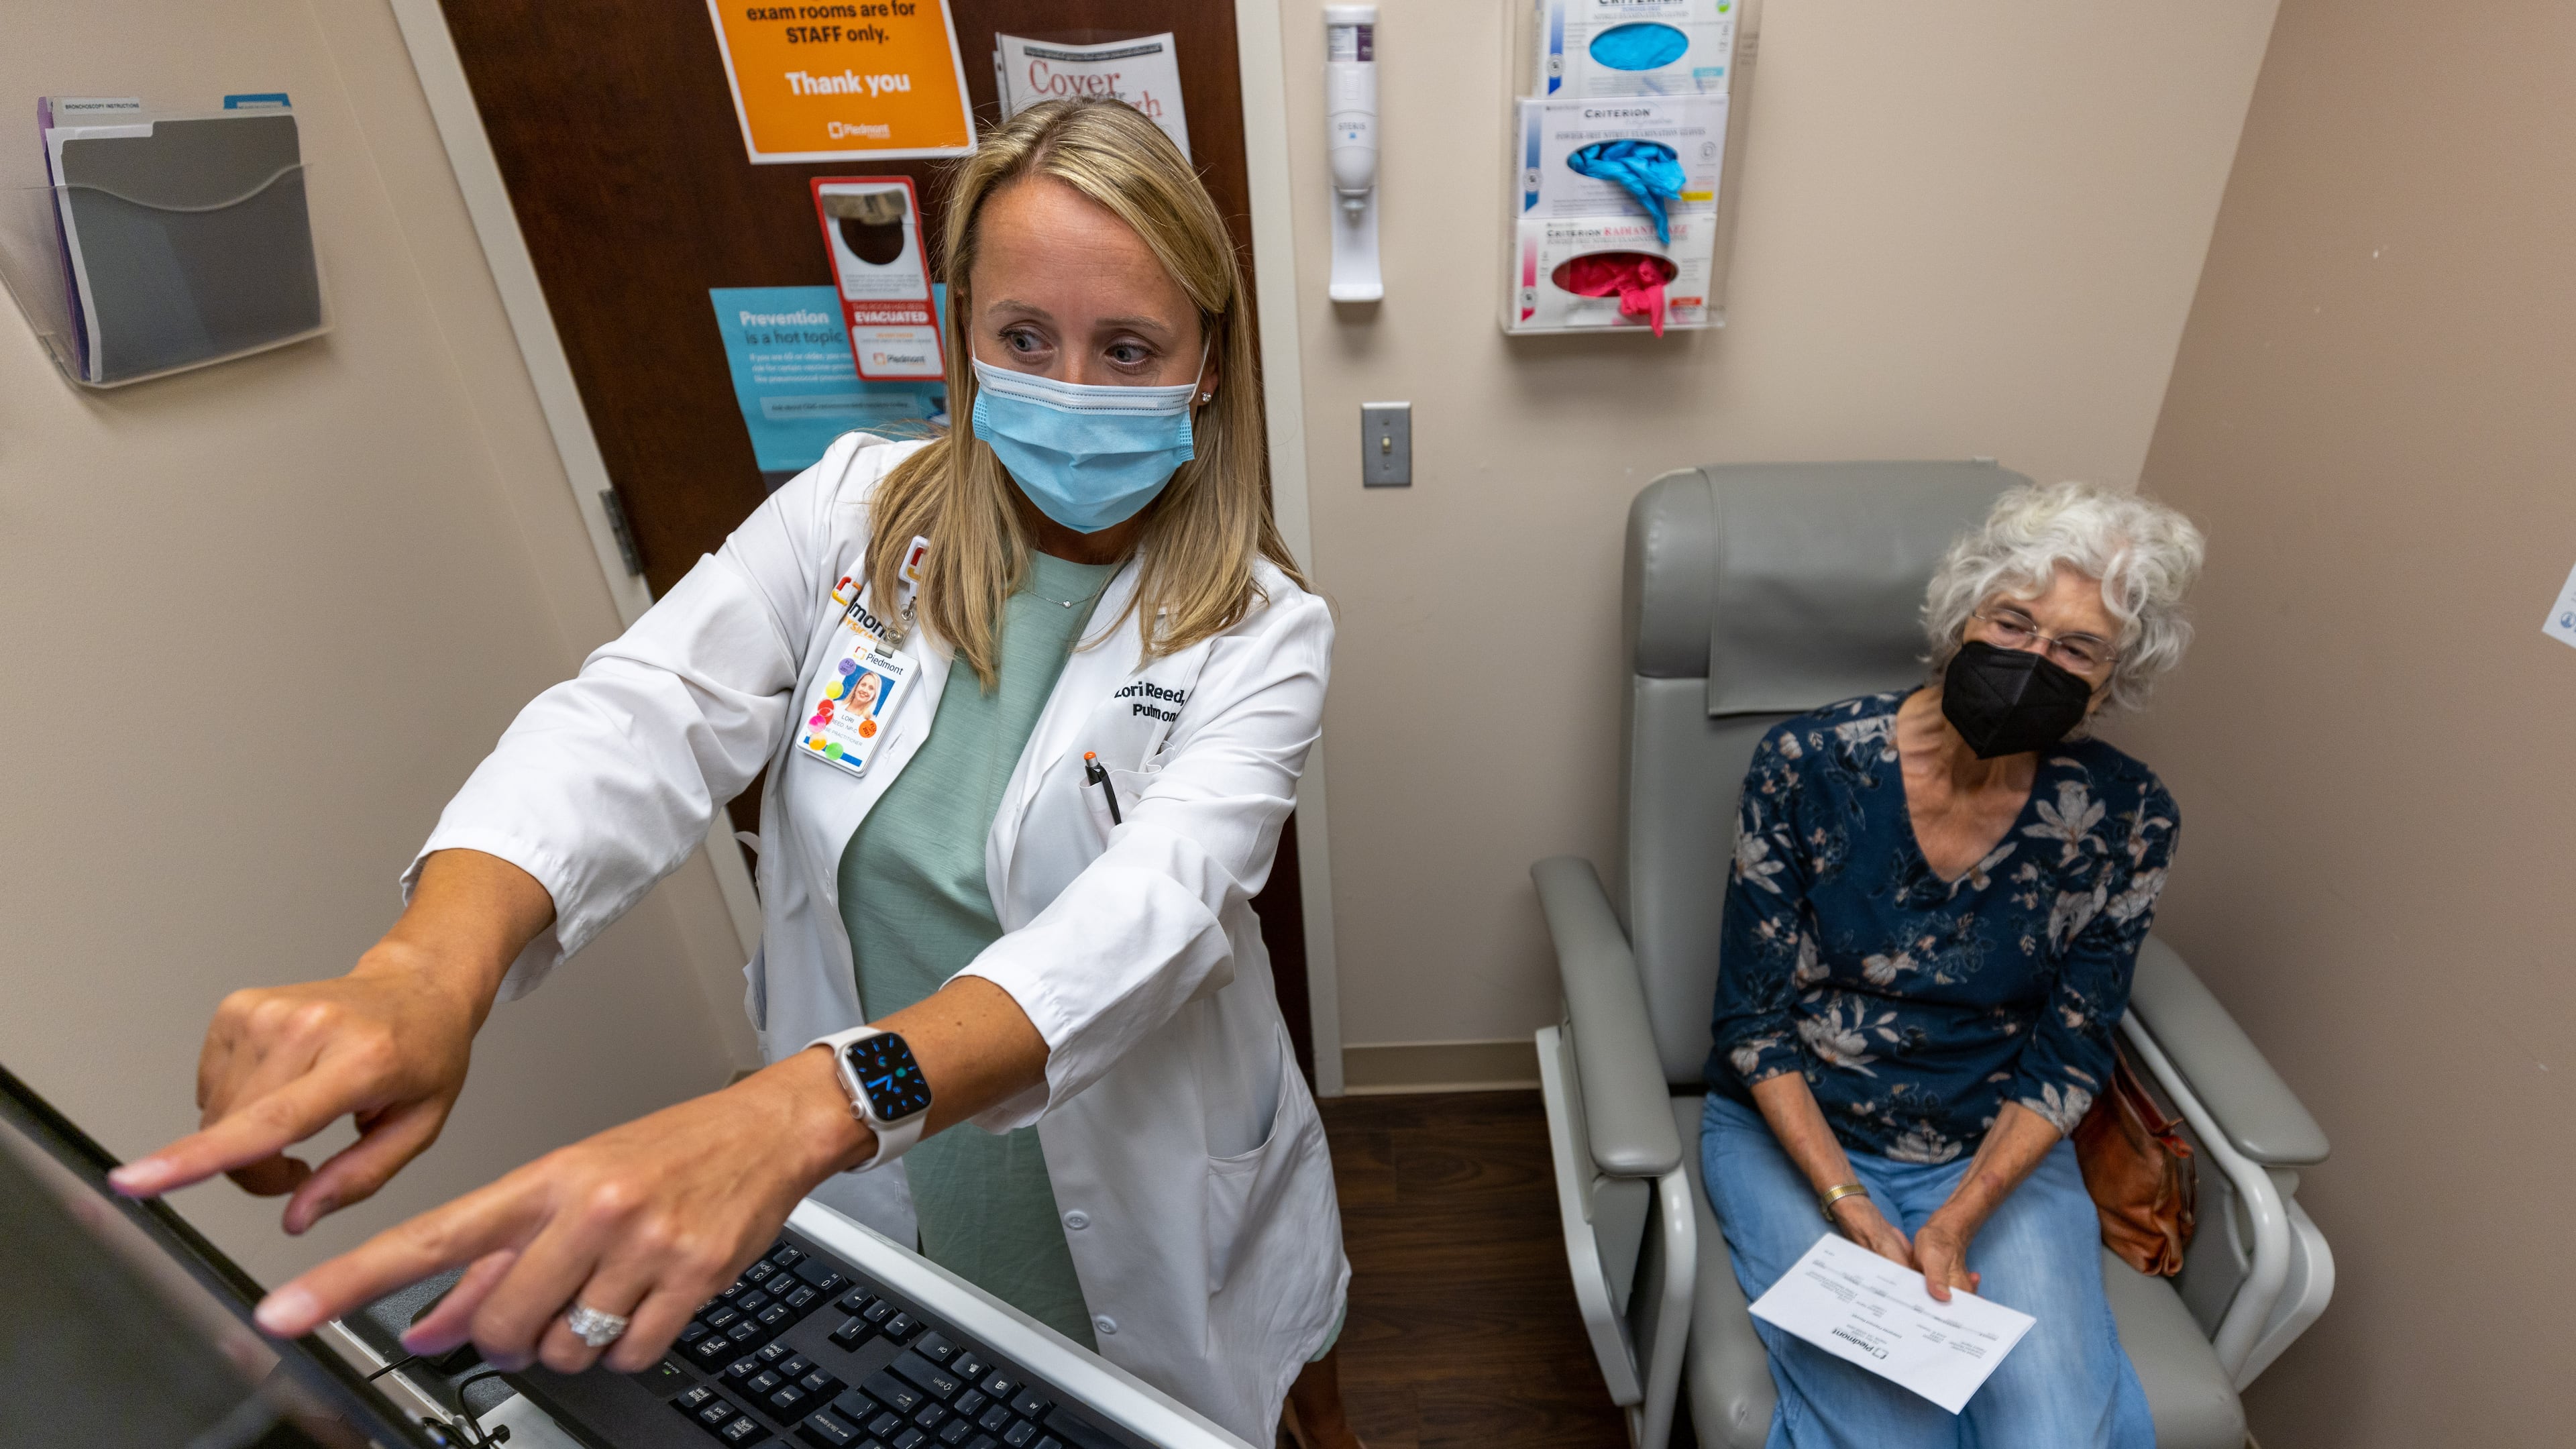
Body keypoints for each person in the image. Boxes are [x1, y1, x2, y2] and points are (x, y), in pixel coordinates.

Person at [109, 99, 1364, 1449]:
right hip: (885, 1178)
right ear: (963, 339)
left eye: (1128, 350)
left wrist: (803, 1109)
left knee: (1210, 1414)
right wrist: (425, 969)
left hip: (1131, 1180)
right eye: (1023, 340)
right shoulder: (854, 513)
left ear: (1208, 366)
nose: (1069, 389)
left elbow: (1148, 919)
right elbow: (642, 716)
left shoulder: (1262, 633)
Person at [1701, 480, 2206, 1448]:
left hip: (1992, 1150)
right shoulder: (1806, 763)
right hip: (1798, 1132)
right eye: (2013, 622)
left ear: (2113, 680)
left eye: (2077, 649)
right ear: (1962, 616)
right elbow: (1753, 1024)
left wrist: (1960, 1216)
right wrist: (1846, 1200)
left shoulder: (2129, 817)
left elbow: (2071, 1049)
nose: (2034, 660)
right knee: (1893, 1435)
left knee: (2055, 1433)